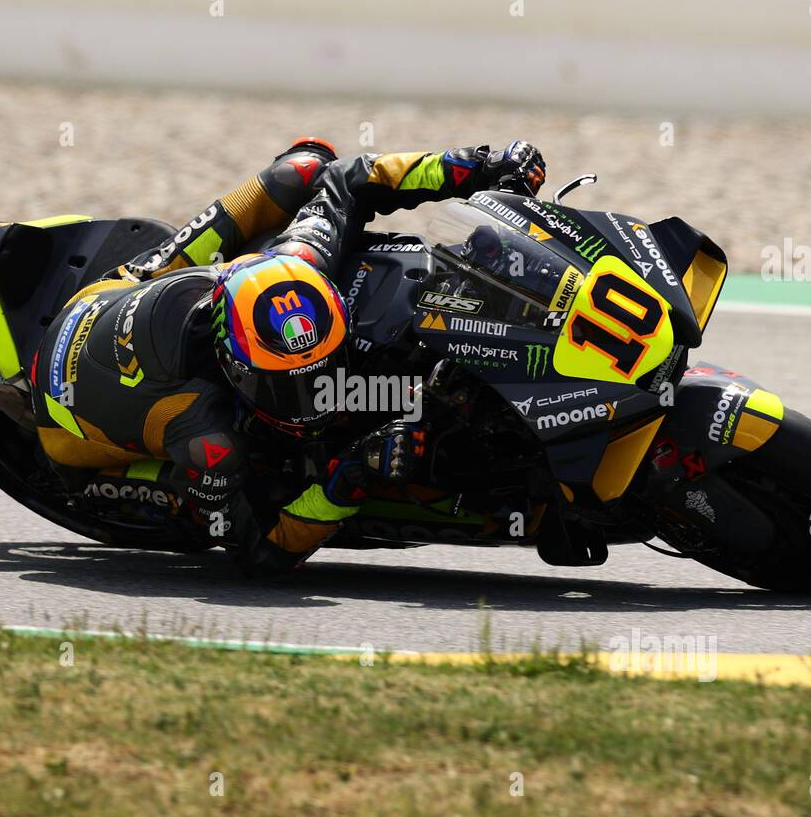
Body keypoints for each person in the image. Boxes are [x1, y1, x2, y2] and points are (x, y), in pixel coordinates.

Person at [31, 138, 547, 572]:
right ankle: (115, 484)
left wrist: (477, 166)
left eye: (325, 366)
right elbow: (260, 549)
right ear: (237, 369)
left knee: (306, 167)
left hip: (122, 287)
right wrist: (348, 479)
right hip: (65, 424)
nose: (317, 394)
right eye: (289, 385)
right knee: (210, 504)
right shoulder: (207, 435)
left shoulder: (299, 260)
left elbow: (353, 178)